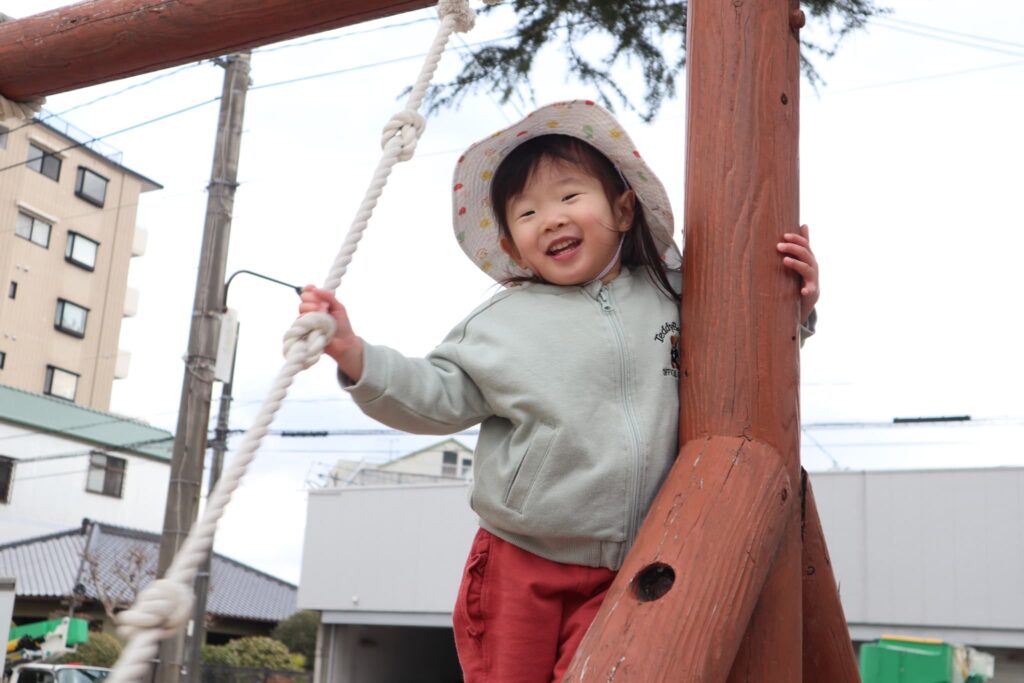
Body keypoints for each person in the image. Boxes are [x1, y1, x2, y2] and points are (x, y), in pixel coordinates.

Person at [299, 100, 819, 682]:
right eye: (527, 212)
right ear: (513, 246)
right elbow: (436, 394)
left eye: (570, 197)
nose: (550, 219)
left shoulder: (676, 297)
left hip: (635, 561)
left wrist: (790, 307)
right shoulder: (501, 327)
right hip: (521, 557)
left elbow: (742, 355)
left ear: (624, 209)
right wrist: (355, 355)